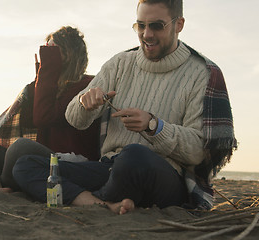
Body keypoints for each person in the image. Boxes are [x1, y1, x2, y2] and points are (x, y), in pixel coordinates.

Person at [13, 0, 236, 214]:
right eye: (141, 25)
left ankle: (91, 197)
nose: (147, 34)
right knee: (25, 164)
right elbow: (73, 118)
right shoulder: (120, 63)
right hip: (109, 168)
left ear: (179, 25)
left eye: (156, 26)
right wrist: (85, 103)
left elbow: (198, 151)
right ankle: (99, 203)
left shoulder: (201, 73)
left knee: (134, 156)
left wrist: (154, 126)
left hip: (161, 175)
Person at [0, 26, 101, 194]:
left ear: (68, 54)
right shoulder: (50, 86)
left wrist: (47, 72)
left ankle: (9, 184)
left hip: (69, 161)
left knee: (20, 147)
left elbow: (43, 117)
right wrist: (40, 79)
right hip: (40, 157)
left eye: (51, 49)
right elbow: (29, 120)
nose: (45, 53)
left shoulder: (87, 85)